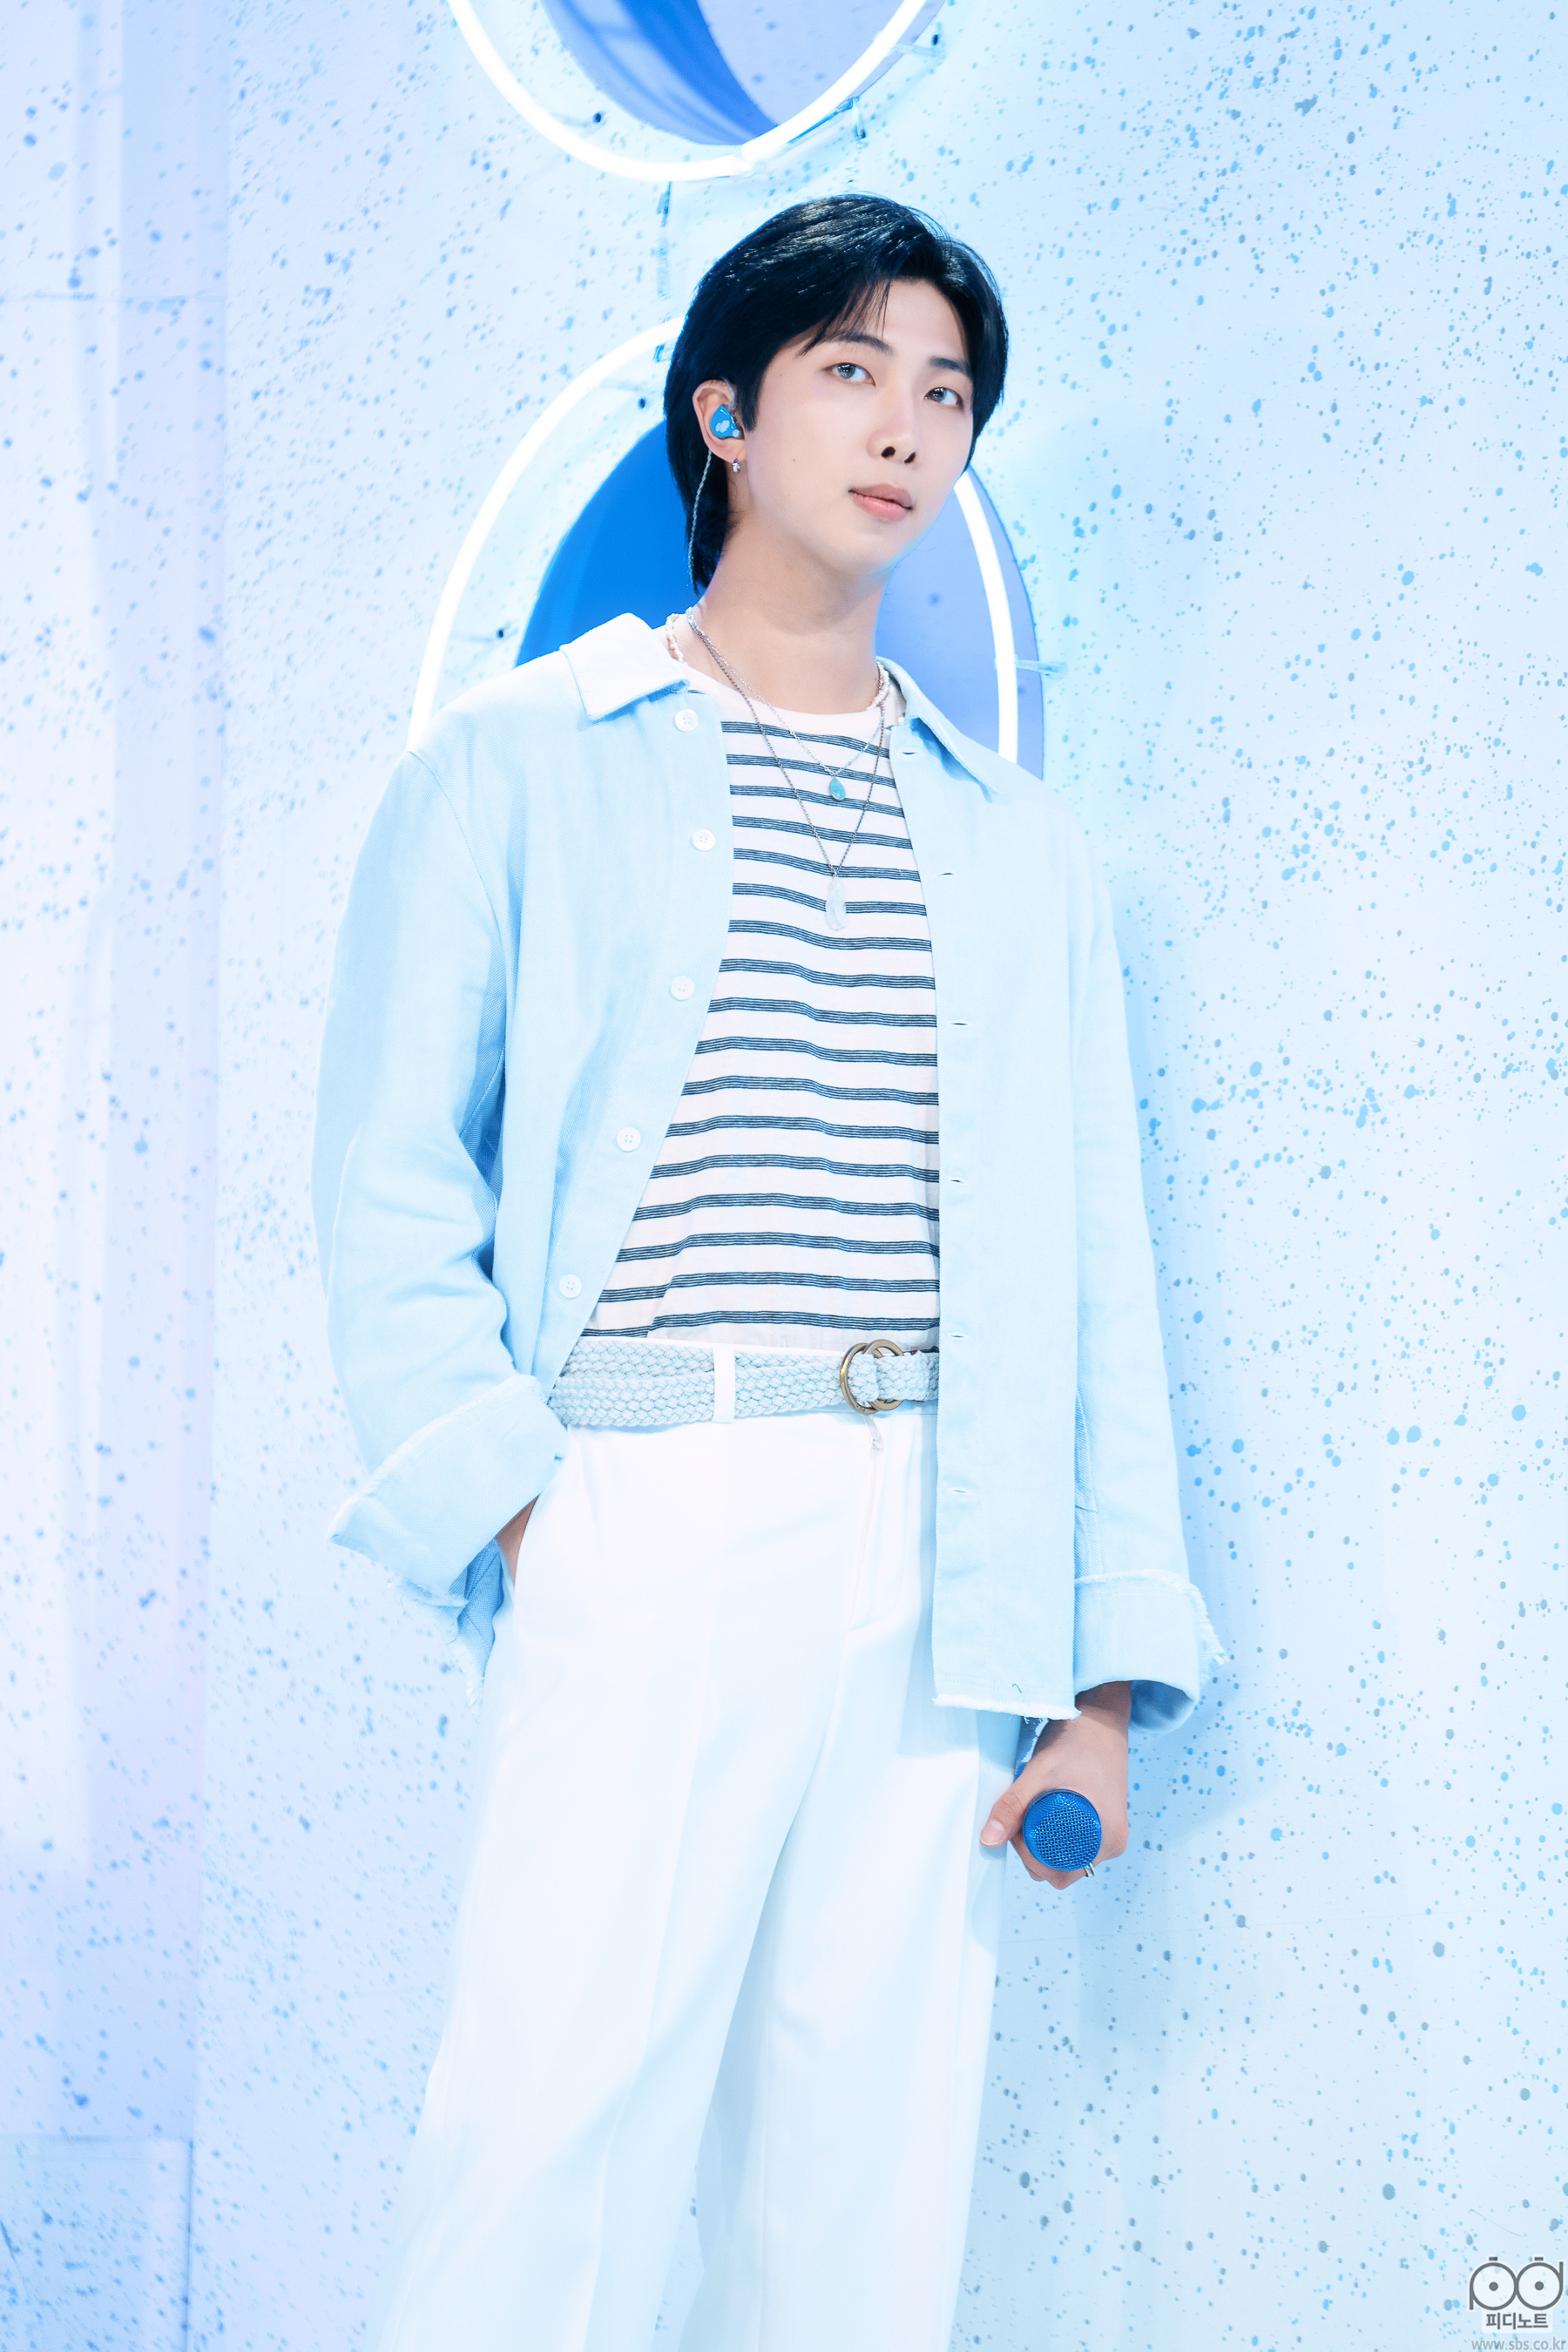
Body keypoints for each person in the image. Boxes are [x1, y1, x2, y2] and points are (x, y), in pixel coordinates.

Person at [313, 192, 1226, 2352]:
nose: (908, 425)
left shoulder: (1020, 847)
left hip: (941, 1546)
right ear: (723, 414)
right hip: (641, 1495)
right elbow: (387, 1178)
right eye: (850, 370)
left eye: (948, 391)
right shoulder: (514, 763)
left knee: (864, 2187)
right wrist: (527, 1511)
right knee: (546, 2151)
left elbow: (1095, 1274)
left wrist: (1096, 1681)